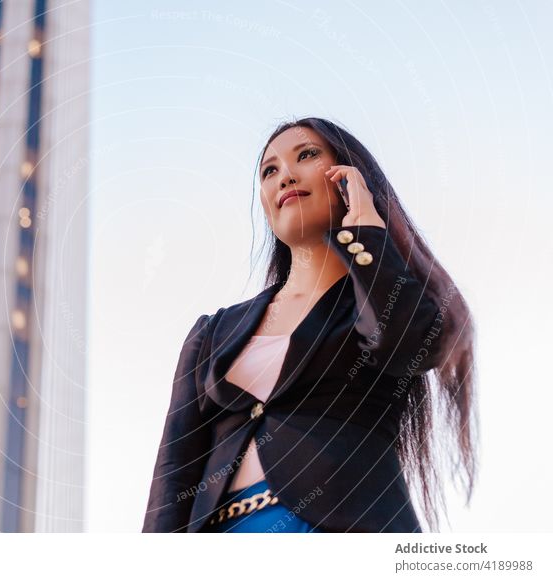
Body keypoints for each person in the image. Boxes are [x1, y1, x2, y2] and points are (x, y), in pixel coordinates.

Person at [142, 116, 478, 533]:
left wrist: (367, 233)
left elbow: (409, 345)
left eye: (307, 155)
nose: (286, 176)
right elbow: (174, 472)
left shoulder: (381, 300)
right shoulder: (213, 333)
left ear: (349, 177)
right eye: (270, 170)